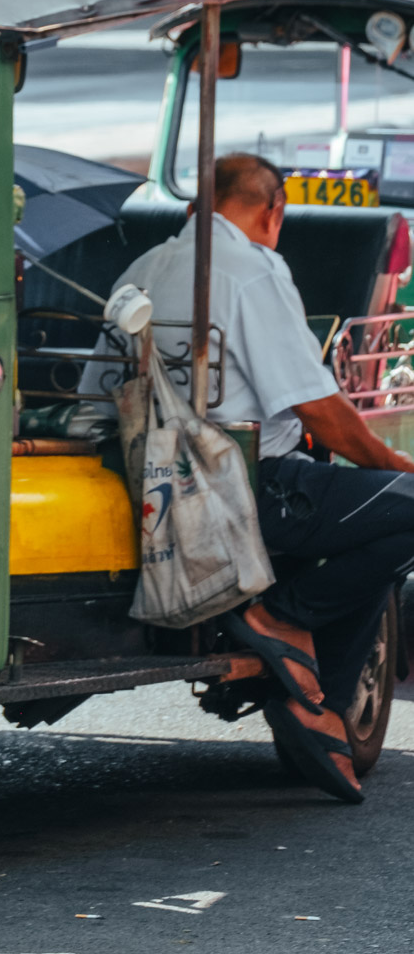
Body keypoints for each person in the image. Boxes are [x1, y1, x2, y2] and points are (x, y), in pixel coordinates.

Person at [80, 153, 414, 803]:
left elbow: (99, 396)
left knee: (370, 528)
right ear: (272, 212)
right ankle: (284, 619)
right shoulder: (254, 269)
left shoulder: (141, 268)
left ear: (191, 210)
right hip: (246, 492)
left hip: (147, 483)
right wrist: (397, 467)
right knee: (402, 509)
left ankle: (321, 701)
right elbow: (324, 414)